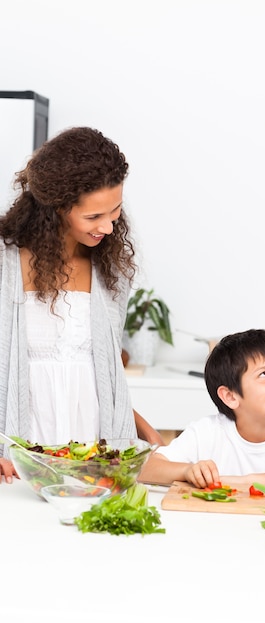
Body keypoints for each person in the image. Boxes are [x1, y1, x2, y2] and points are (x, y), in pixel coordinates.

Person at [0, 126, 164, 484]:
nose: (107, 227)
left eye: (115, 211)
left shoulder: (111, 274)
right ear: (57, 208)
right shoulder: (5, 266)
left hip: (94, 457)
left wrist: (141, 428)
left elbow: (97, 374)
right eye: (93, 217)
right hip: (17, 455)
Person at [139, 329, 265, 488]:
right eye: (264, 374)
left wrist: (246, 482)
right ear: (230, 396)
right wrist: (187, 471)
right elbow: (145, 469)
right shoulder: (206, 432)